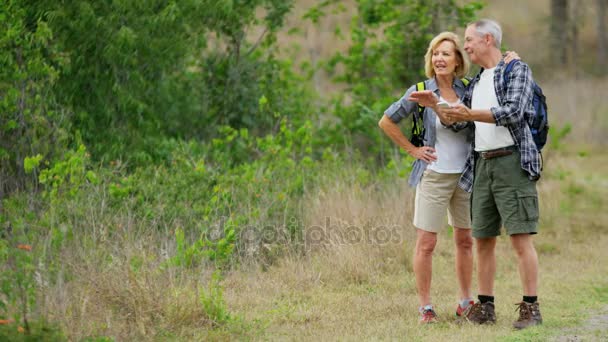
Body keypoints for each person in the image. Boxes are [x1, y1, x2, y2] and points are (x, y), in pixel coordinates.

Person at [409, 19, 542, 329]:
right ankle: (485, 306)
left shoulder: (516, 70)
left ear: (487, 39)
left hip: (512, 163)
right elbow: (460, 122)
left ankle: (531, 308)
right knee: (482, 238)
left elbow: (514, 111)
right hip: (481, 166)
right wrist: (437, 106)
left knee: (521, 238)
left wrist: (469, 113)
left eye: (468, 41)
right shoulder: (478, 81)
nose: (465, 47)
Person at [379, 31, 480, 324]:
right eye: (435, 53)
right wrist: (413, 150)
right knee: (426, 243)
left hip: (465, 175)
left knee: (464, 240)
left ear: (458, 60)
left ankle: (465, 301)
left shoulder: (467, 90)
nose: (439, 58)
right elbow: (386, 120)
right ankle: (426, 307)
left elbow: (461, 122)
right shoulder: (421, 89)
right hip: (434, 175)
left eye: (446, 53)